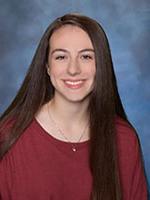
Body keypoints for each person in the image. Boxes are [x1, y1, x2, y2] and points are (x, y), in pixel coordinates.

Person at [0, 13, 148, 200]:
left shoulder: (124, 139)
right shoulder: (9, 136)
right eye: (61, 57)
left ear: (101, 65)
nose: (73, 69)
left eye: (86, 57)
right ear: (47, 66)